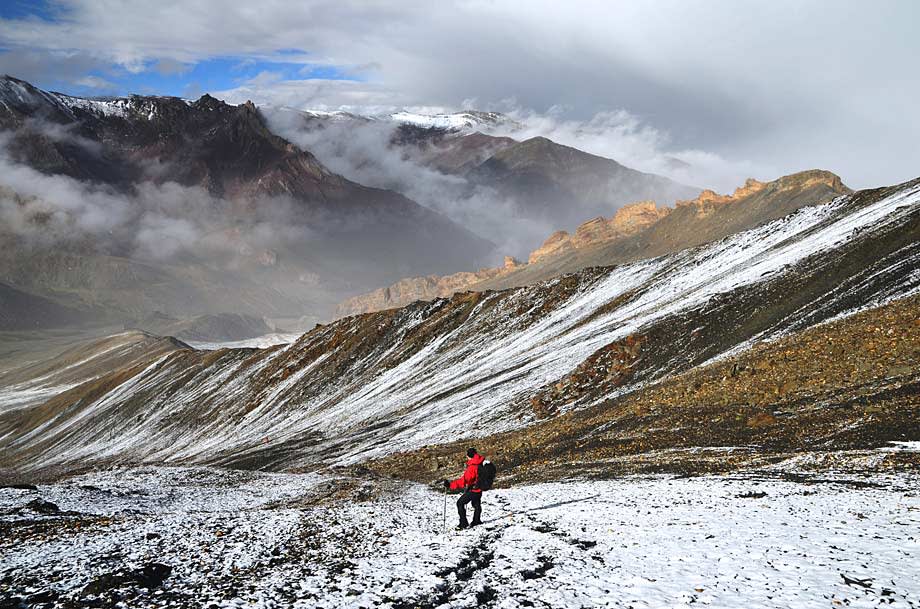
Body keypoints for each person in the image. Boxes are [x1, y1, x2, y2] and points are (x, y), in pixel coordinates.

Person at [443, 447, 484, 529]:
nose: (467, 458)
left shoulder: (472, 466)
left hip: (473, 489)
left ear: (469, 456)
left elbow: (463, 481)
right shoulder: (480, 463)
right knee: (476, 504)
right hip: (480, 488)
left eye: (467, 456)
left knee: (460, 503)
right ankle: (476, 521)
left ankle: (463, 523)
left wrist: (450, 485)